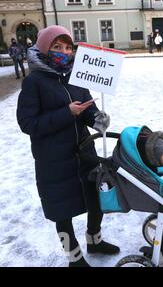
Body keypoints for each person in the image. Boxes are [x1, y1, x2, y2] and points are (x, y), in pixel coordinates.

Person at [16, 25, 119, 267]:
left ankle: (95, 240)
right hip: (54, 160)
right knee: (62, 210)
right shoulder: (34, 82)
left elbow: (87, 107)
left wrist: (96, 118)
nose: (65, 52)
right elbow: (28, 123)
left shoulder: (77, 75)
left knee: (96, 200)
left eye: (68, 47)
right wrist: (66, 113)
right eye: (57, 47)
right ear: (44, 49)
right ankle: (74, 257)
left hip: (84, 154)